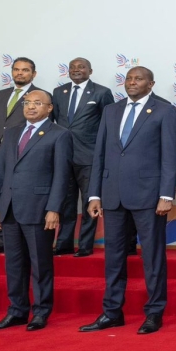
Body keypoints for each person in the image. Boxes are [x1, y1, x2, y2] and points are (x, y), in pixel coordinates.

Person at [81, 67, 176, 335]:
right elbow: (99, 154)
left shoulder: (164, 111)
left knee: (153, 258)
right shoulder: (111, 111)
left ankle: (154, 312)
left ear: (151, 83)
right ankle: (112, 312)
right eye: (129, 79)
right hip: (112, 196)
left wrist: (166, 194)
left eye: (138, 79)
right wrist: (94, 194)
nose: (132, 82)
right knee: (113, 258)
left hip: (149, 197)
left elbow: (170, 156)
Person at [0, 90, 72, 332]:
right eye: (27, 102)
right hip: (10, 208)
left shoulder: (59, 135)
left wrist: (54, 208)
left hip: (39, 209)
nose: (31, 107)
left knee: (40, 264)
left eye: (37, 103)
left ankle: (41, 312)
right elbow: (0, 173)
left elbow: (61, 176)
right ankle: (16, 311)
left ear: (49, 108)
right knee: (13, 264)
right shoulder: (11, 133)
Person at [0, 56, 46, 255]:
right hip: (0, 156)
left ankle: (22, 240)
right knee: (0, 195)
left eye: (25, 70)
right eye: (16, 69)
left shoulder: (41, 96)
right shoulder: (1, 94)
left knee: (21, 198)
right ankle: (1, 239)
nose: (20, 73)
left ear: (33, 74)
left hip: (24, 155)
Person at [51, 58, 114, 257]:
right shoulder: (58, 92)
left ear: (90, 70)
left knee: (89, 203)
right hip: (63, 156)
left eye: (81, 67)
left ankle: (85, 246)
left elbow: (109, 125)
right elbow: (55, 123)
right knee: (66, 203)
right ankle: (64, 245)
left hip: (89, 157)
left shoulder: (101, 92)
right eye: (72, 67)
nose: (76, 70)